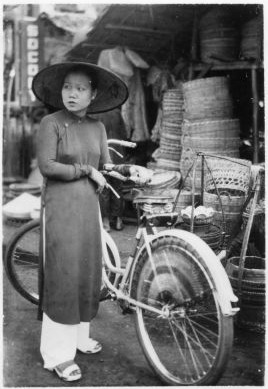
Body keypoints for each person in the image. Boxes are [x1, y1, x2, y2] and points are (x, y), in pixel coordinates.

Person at [32, 61, 128, 382]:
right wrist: (87, 171)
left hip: (89, 208)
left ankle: (78, 338)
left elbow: (105, 164)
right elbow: (48, 166)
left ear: (93, 94)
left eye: (81, 88)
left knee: (87, 270)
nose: (72, 94)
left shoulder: (98, 128)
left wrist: (128, 172)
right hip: (60, 207)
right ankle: (56, 355)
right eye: (67, 87)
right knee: (64, 273)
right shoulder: (51, 122)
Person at [94, 108, 127, 231]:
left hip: (102, 155)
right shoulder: (117, 113)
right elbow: (124, 133)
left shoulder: (94, 113)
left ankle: (105, 222)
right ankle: (118, 220)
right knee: (118, 187)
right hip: (118, 154)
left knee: (104, 189)